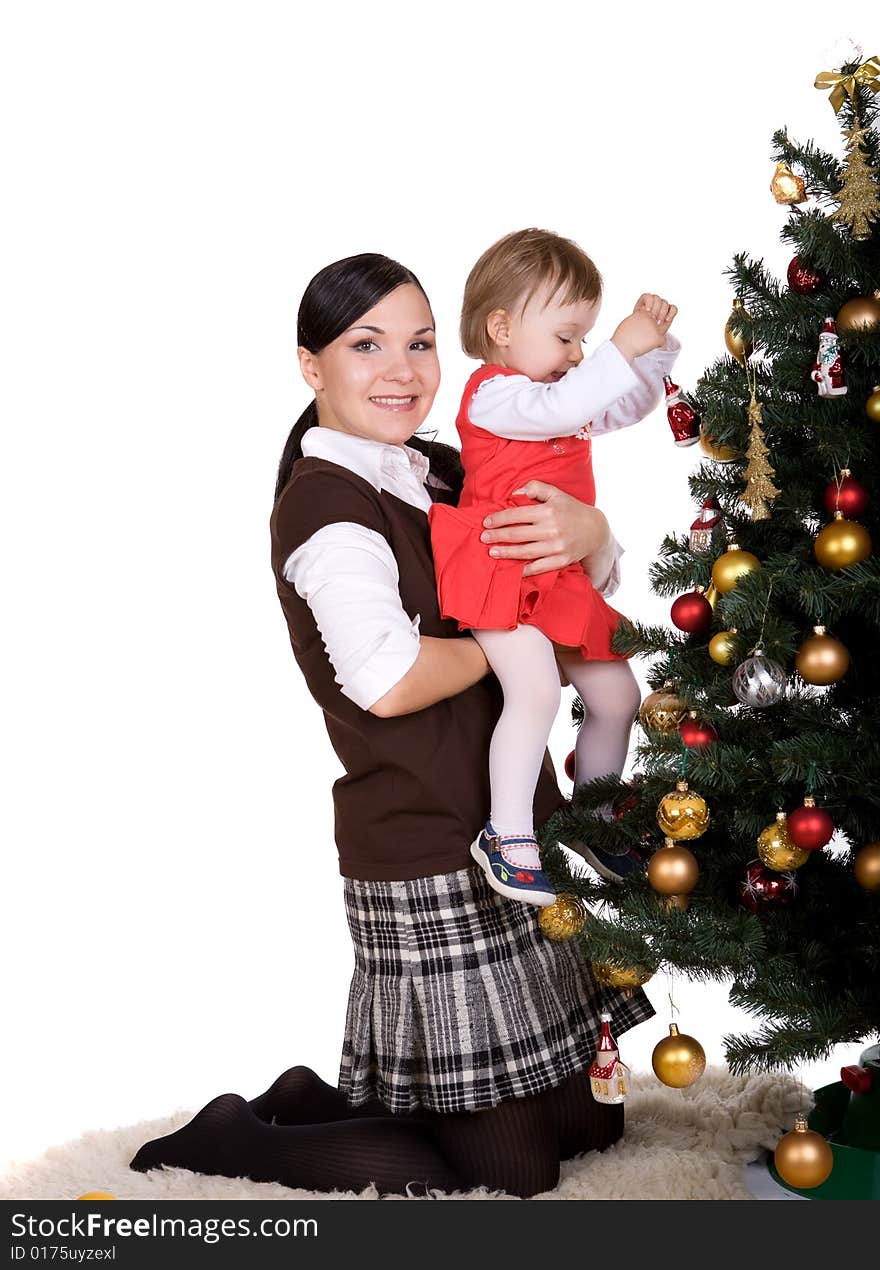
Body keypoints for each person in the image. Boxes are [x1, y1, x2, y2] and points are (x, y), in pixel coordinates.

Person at [129, 252, 654, 1199]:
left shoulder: (445, 470)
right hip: (425, 849)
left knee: (595, 1124)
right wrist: (515, 637)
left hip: (516, 834)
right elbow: (388, 680)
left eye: (418, 343)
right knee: (516, 1178)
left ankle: (324, 1099)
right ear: (310, 365)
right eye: (366, 345)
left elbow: (557, 574)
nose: (402, 370)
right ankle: (237, 1142)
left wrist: (594, 535)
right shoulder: (329, 510)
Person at [428, 229, 680, 900]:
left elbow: (618, 404)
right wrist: (618, 349)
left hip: (557, 575)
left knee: (617, 694)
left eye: (585, 341)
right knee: (536, 690)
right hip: (500, 570)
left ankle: (593, 818)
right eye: (567, 337)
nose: (578, 355)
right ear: (502, 328)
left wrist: (650, 356)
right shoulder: (496, 396)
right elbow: (570, 404)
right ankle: (506, 833)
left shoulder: (557, 394)